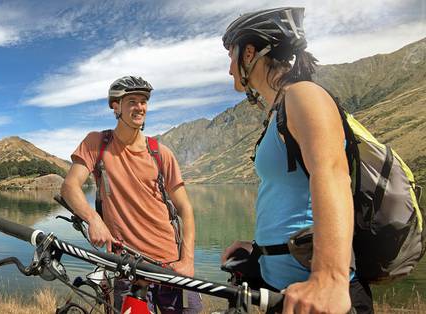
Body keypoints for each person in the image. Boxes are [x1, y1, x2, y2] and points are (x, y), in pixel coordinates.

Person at [219, 7, 373, 314]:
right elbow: (291, 198)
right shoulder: (277, 111)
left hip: (318, 300)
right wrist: (260, 249)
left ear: (249, 53)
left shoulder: (304, 95)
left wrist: (329, 279)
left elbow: (332, 173)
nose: (230, 70)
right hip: (285, 291)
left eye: (231, 57)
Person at [61, 76, 201, 313]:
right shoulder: (97, 143)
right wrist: (93, 219)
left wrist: (187, 260)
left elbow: (185, 209)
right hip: (128, 269)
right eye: (132, 101)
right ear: (116, 107)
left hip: (172, 265)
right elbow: (69, 187)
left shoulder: (160, 153)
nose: (140, 107)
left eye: (143, 101)